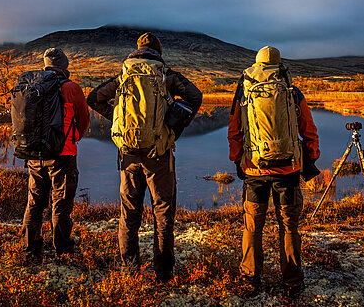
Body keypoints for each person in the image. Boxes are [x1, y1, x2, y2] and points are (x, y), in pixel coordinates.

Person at [87, 32, 202, 282]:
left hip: (127, 155)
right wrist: (172, 126)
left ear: (136, 51)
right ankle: (163, 273)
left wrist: (117, 119)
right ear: (158, 52)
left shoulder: (124, 76)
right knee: (163, 214)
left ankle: (130, 273)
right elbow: (195, 97)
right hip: (159, 155)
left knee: (129, 215)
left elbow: (94, 98)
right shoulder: (167, 75)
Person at [228, 46, 320, 297]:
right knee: (288, 227)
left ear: (256, 65)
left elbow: (234, 130)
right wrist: (310, 157)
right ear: (280, 66)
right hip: (288, 171)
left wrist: (238, 160)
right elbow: (308, 128)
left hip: (254, 171)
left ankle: (250, 280)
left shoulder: (244, 91)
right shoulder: (292, 91)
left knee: (252, 227)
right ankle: (292, 283)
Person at [22, 48, 90, 262]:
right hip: (63, 154)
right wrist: (74, 136)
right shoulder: (70, 87)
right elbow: (84, 118)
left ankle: (31, 251)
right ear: (65, 65)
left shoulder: (30, 85)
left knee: (34, 203)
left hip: (34, 153)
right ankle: (63, 251)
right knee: (61, 203)